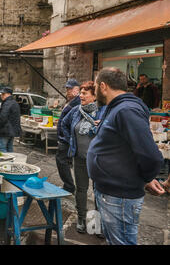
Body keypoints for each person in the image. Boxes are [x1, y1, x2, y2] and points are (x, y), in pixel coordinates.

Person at [87, 67, 164, 245]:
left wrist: (146, 177)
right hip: (110, 193)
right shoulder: (114, 108)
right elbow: (128, 148)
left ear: (103, 86)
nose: (95, 89)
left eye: (96, 86)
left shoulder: (126, 110)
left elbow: (152, 156)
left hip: (119, 197)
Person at [62, 81, 106, 234]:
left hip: (98, 160)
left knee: (99, 191)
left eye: (84, 93)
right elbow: (64, 124)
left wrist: (102, 125)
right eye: (80, 92)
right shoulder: (75, 111)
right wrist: (70, 141)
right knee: (81, 189)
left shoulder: (104, 111)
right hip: (79, 158)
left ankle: (97, 224)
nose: (81, 96)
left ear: (94, 96)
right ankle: (81, 218)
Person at [56, 79, 81, 194]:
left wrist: (66, 138)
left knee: (62, 161)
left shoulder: (77, 102)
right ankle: (69, 185)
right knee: (63, 161)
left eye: (71, 89)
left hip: (66, 139)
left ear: (77, 89)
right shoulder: (70, 101)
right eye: (67, 89)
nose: (68, 91)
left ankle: (69, 186)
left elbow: (69, 123)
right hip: (65, 138)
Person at [0, 87, 21, 153]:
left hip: (6, 130)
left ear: (8, 94)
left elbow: (3, 117)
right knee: (9, 148)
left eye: (3, 94)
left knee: (2, 148)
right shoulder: (14, 102)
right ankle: (10, 163)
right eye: (1, 94)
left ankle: (5, 163)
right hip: (11, 130)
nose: (1, 95)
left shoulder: (7, 103)